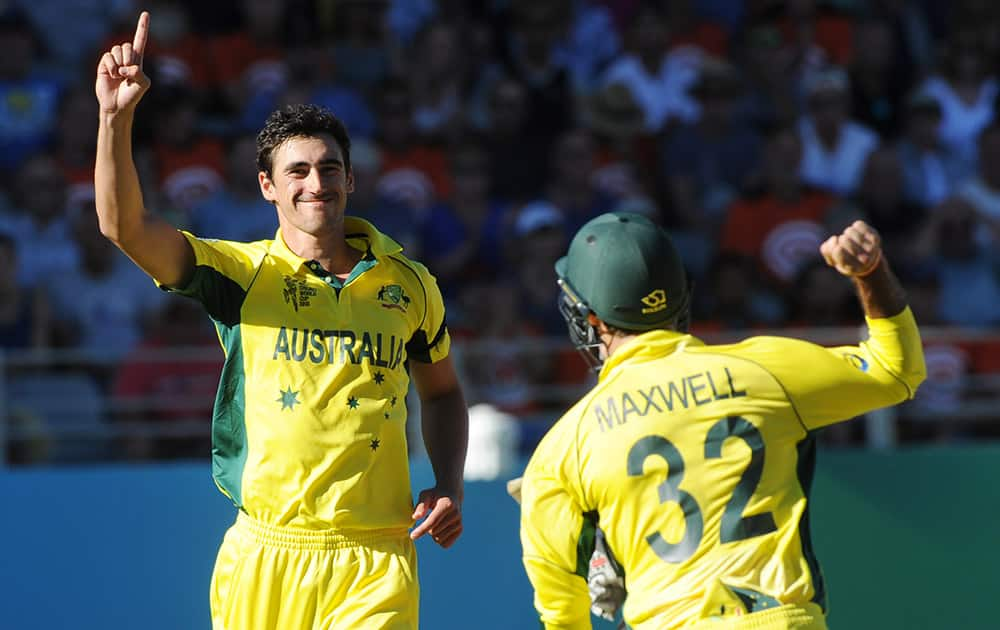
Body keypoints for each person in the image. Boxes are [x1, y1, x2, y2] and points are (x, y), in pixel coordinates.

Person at [94, 13, 468, 630]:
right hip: (265, 553)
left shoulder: (411, 284)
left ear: (350, 178)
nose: (315, 184)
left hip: (377, 555)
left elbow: (445, 392)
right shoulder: (239, 274)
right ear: (267, 186)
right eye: (297, 171)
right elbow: (123, 227)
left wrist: (448, 481)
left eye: (327, 169)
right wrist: (116, 118)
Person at [518, 211, 925, 628]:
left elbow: (563, 616)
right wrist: (871, 273)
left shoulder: (562, 449)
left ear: (590, 319)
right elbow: (896, 371)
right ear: (680, 296)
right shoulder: (765, 372)